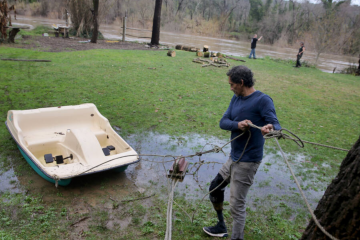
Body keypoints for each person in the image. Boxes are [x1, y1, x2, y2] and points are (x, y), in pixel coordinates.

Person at [202, 65, 281, 240]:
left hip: (248, 162)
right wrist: (237, 125)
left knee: (237, 206)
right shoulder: (236, 98)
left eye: (232, 84)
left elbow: (276, 126)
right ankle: (221, 226)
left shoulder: (263, 100)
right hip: (234, 157)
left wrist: (270, 127)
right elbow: (223, 122)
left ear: (242, 82)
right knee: (215, 188)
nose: (230, 88)